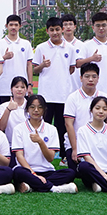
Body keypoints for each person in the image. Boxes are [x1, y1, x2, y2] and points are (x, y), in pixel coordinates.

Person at [12, 94, 78, 193]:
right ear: (27, 109)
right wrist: (34, 174)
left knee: (70, 173)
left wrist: (40, 142)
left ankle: (32, 185)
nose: (36, 110)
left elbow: (50, 158)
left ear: (44, 110)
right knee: (18, 172)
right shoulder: (19, 129)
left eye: (40, 107)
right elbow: (19, 156)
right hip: (27, 170)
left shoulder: (51, 129)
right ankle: (54, 188)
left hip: (47, 171)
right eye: (32, 107)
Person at [33, 17, 75, 162]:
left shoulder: (69, 48)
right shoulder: (41, 48)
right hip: (46, 94)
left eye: (57, 29)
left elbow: (71, 68)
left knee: (62, 126)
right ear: (47, 31)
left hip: (63, 94)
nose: (55, 32)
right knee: (44, 124)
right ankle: (40, 153)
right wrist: (43, 65)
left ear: (62, 29)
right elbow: (34, 70)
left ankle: (62, 155)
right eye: (52, 30)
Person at [63, 63, 107, 172]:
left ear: (98, 78)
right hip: (78, 143)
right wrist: (75, 149)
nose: (90, 80)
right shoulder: (73, 98)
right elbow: (68, 124)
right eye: (87, 76)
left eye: (94, 76)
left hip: (98, 143)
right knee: (77, 172)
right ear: (81, 78)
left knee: (105, 169)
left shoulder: (105, 97)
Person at [76, 12, 107, 93]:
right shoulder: (86, 45)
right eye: (98, 26)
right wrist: (91, 59)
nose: (101, 28)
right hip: (93, 92)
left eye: (104, 25)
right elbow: (78, 63)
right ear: (93, 28)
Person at [0, 14, 34, 103]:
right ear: (6, 26)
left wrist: (30, 85)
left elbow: (29, 65)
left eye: (16, 25)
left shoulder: (26, 44)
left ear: (20, 26)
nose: (13, 27)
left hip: (22, 87)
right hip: (4, 88)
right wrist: (4, 57)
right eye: (11, 25)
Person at [0, 76, 30, 147]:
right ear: (11, 89)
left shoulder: (30, 106)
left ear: (26, 90)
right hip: (10, 145)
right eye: (16, 87)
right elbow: (2, 127)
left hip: (28, 144)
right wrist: (8, 109)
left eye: (22, 87)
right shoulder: (4, 106)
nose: (19, 90)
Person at [61, 14, 85, 91]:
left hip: (78, 85)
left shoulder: (82, 45)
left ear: (75, 27)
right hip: (62, 85)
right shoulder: (58, 45)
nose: (68, 27)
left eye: (70, 24)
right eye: (65, 24)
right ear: (61, 28)